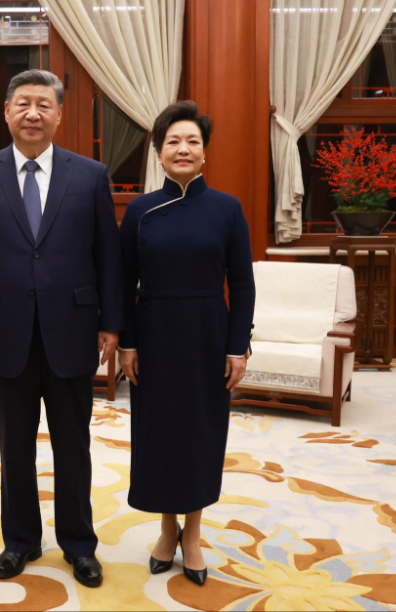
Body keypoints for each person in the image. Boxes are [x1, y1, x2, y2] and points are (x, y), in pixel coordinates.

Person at [0, 69, 122, 588]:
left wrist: (112, 323)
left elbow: (108, 256)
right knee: (15, 447)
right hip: (4, 331)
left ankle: (79, 544)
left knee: (73, 446)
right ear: (6, 112)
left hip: (73, 329)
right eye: (22, 103)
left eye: (43, 105)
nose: (32, 114)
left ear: (59, 115)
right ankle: (20, 540)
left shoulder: (89, 175)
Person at [117, 100, 255, 586]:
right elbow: (122, 281)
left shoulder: (226, 209)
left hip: (207, 335)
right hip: (153, 333)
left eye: (192, 141)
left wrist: (237, 346)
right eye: (173, 141)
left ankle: (192, 534)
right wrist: (127, 343)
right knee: (158, 433)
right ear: (158, 153)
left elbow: (242, 283)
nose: (183, 148)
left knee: (200, 435)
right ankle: (165, 528)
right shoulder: (140, 211)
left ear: (204, 152)